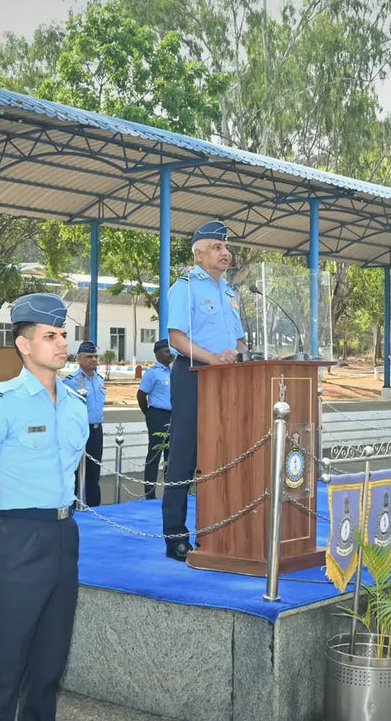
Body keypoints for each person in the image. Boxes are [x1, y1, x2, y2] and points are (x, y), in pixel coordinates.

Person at [0, 292, 89, 720]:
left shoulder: (75, 405)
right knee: (3, 667)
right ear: (24, 344)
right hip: (17, 540)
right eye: (51, 336)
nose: (62, 343)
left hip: (64, 535)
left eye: (63, 334)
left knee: (49, 667)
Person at [161, 220, 246, 561]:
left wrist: (240, 356)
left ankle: (220, 531)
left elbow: (239, 339)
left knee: (227, 452)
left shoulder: (229, 291)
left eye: (225, 247)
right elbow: (176, 338)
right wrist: (213, 358)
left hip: (228, 378)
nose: (225, 252)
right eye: (216, 247)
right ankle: (176, 536)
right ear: (198, 255)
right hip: (194, 375)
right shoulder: (185, 287)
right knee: (185, 455)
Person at [64, 340, 106, 507]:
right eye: (89, 356)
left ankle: (94, 508)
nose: (93, 359)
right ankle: (73, 506)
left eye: (95, 356)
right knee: (76, 471)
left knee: (94, 472)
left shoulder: (100, 379)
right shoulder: (71, 381)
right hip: (79, 431)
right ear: (79, 359)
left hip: (96, 430)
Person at [137, 338, 173, 499]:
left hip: (173, 416)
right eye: (167, 351)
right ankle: (150, 494)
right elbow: (141, 395)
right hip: (157, 415)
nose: (170, 354)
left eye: (171, 351)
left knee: (170, 456)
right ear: (158, 354)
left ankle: (170, 493)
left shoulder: (174, 371)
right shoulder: (152, 373)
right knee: (154, 455)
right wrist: (149, 413)